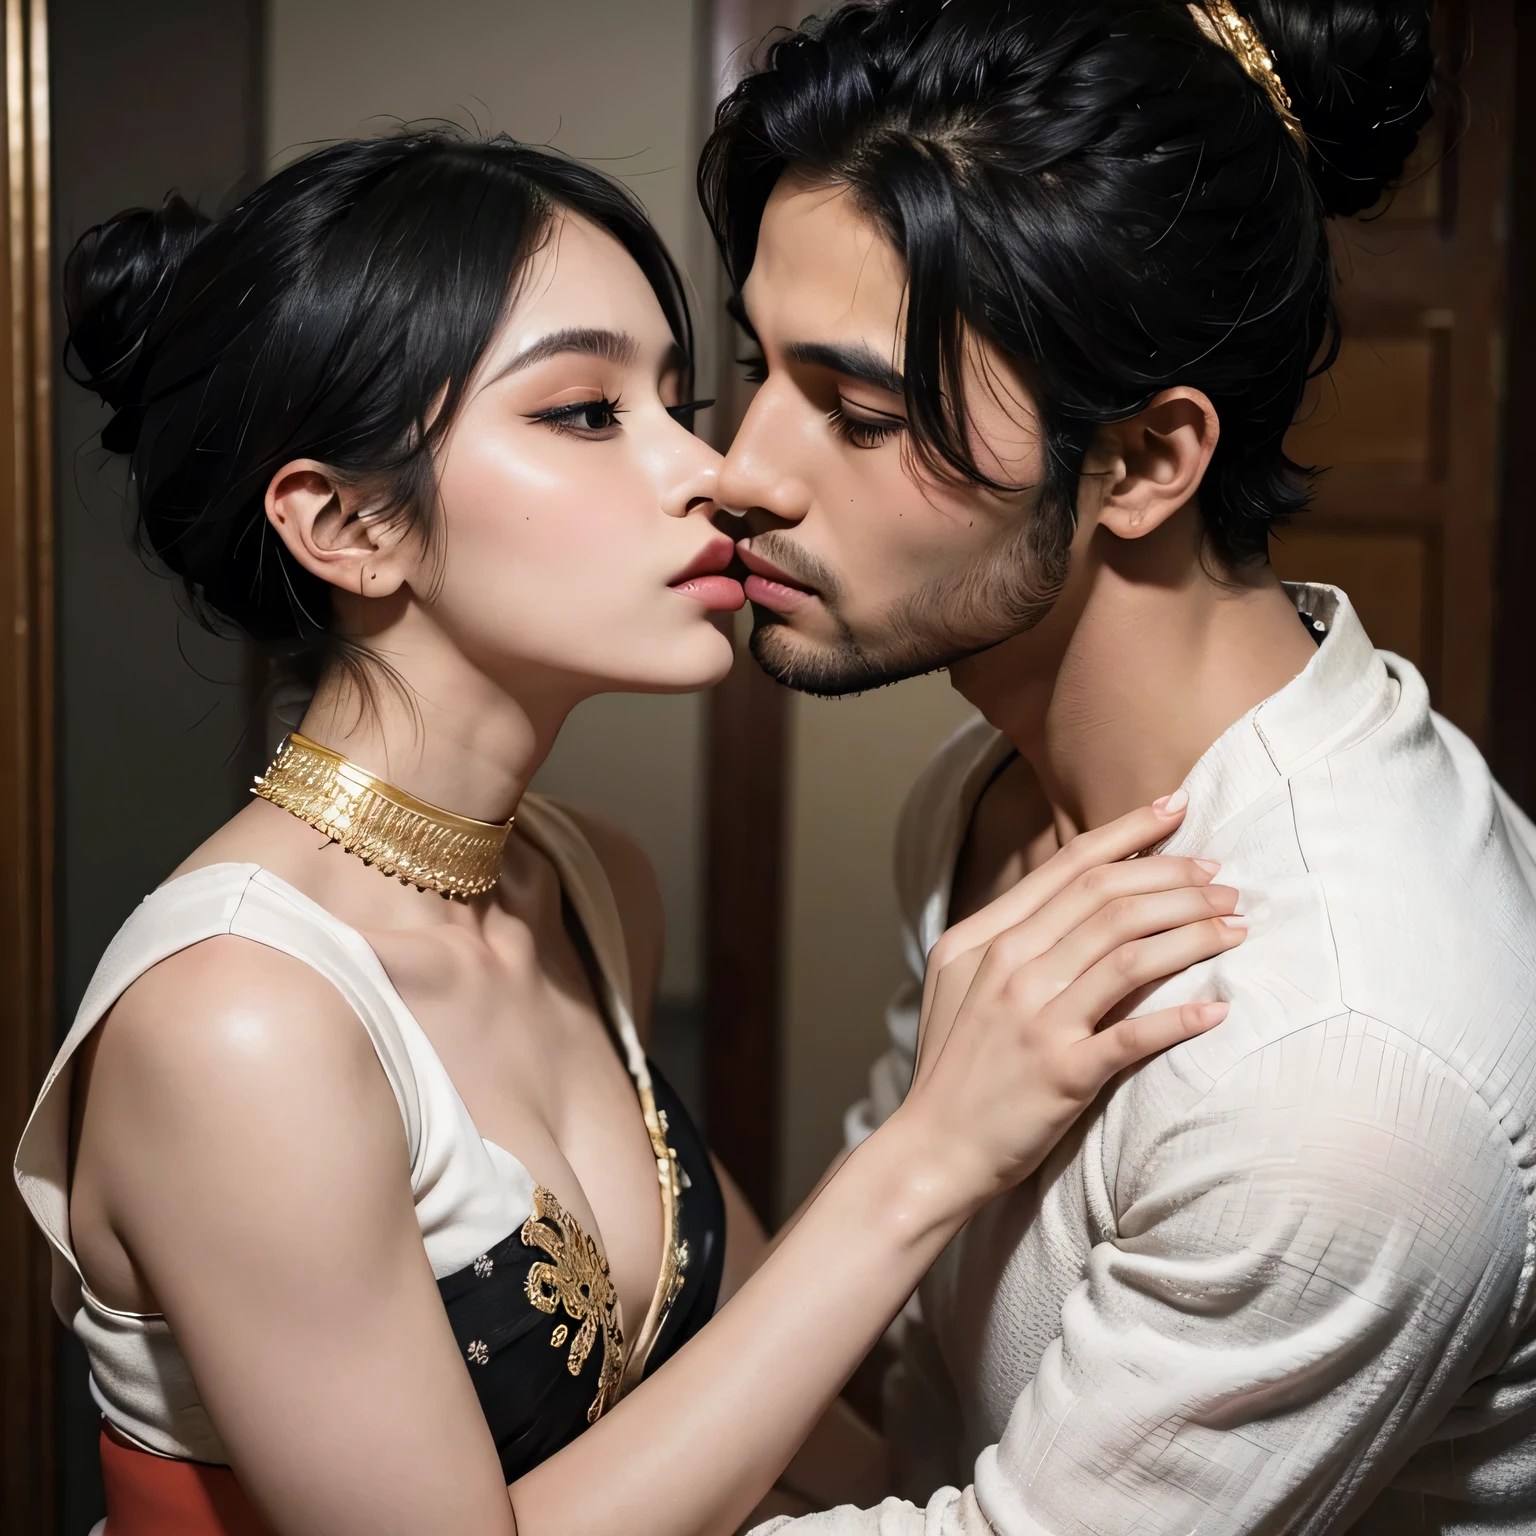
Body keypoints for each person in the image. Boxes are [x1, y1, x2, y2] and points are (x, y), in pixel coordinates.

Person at [13, 130, 1244, 1536]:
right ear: (349, 523)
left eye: (678, 398)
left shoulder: (583, 883)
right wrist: (931, 1153)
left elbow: (747, 1391)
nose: (710, 471)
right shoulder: (235, 1022)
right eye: (588, 413)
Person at [699, 1, 1536, 1532]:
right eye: (755, 368)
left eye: (861, 412)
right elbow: (898, 1382)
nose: (742, 469)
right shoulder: (991, 789)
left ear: (1146, 463)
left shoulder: (1340, 1068)